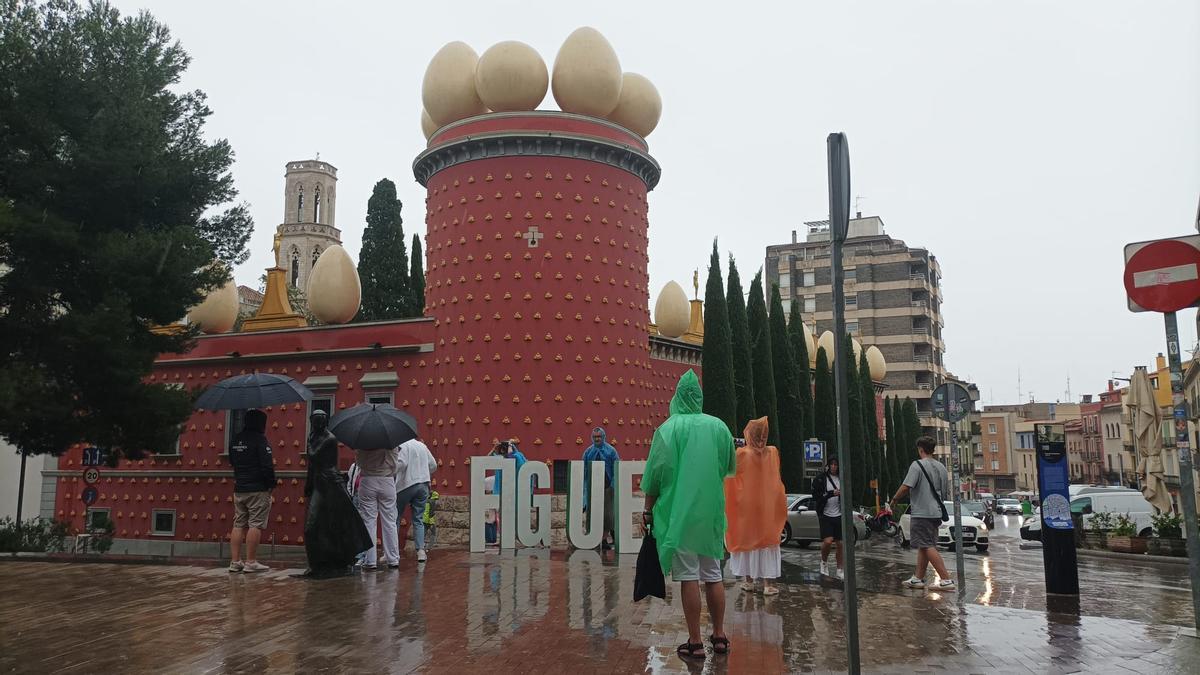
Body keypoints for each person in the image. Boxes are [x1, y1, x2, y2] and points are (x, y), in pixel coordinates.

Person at [642, 370, 736, 660]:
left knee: (688, 578)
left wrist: (647, 510)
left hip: (679, 514)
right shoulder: (718, 428)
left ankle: (695, 641)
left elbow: (655, 476)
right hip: (709, 514)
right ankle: (719, 636)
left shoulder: (668, 430)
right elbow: (728, 467)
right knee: (713, 575)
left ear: (677, 397)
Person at [304, 410, 373, 577]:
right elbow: (312, 466)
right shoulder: (314, 437)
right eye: (314, 420)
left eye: (319, 420)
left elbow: (313, 455)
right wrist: (308, 485)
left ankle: (338, 560)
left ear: (324, 422)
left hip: (331, 485)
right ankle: (317, 564)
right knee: (316, 526)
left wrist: (308, 442)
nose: (316, 423)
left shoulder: (329, 438)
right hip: (319, 483)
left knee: (331, 524)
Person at [724, 417, 787, 595]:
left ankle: (749, 581)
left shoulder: (741, 453)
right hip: (767, 507)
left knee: (747, 542)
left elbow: (729, 476)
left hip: (746, 507)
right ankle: (768, 584)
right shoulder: (773, 452)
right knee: (767, 543)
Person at [888, 435, 955, 590]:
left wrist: (894, 500)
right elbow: (944, 492)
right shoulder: (942, 467)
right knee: (924, 545)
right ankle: (917, 578)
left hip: (921, 512)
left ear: (920, 449)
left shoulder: (917, 465)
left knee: (927, 545)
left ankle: (946, 579)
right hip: (936, 512)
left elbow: (906, 486)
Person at [228, 409, 274, 573]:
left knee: (238, 523)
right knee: (255, 524)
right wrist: (271, 485)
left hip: (239, 487)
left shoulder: (235, 439)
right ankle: (251, 561)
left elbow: (232, 461)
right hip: (257, 488)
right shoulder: (260, 440)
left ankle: (235, 561)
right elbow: (267, 465)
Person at [354, 441, 400, 570]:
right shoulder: (391, 441)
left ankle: (370, 560)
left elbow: (359, 463)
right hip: (387, 480)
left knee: (369, 521)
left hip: (367, 480)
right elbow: (395, 465)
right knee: (390, 521)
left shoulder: (362, 440)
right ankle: (393, 559)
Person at [396, 436, 438, 563]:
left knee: (395, 517)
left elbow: (401, 464)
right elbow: (433, 465)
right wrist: (424, 472)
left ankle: (392, 551)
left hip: (405, 484)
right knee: (418, 519)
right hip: (423, 484)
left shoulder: (403, 445)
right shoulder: (422, 446)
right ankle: (420, 551)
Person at [582, 426, 620, 549]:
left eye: (599, 436)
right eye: (595, 437)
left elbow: (616, 468)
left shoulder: (611, 451)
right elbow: (584, 470)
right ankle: (591, 538)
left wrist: (613, 486)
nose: (597, 439)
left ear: (603, 437)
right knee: (592, 513)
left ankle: (604, 540)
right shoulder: (588, 452)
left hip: (607, 488)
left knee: (608, 515)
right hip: (592, 488)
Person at [811, 456, 844, 579]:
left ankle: (840, 568)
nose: (834, 467)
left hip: (839, 514)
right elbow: (816, 496)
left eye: (836, 465)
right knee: (828, 541)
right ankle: (823, 562)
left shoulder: (841, 478)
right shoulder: (821, 479)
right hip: (825, 514)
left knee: (840, 543)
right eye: (832, 464)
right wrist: (831, 493)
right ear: (828, 465)